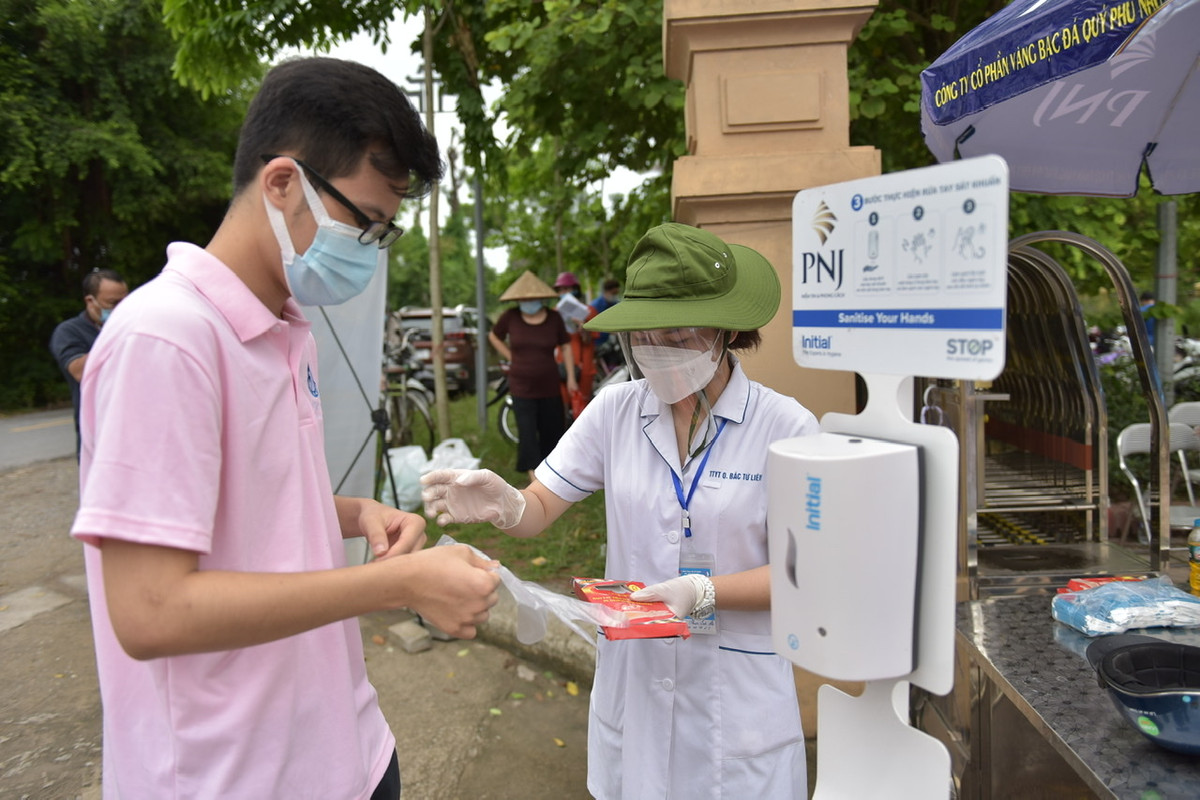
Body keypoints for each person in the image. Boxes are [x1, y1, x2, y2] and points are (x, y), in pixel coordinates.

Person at [69, 57, 500, 799]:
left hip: (345, 748)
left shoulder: (283, 325)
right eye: (365, 224)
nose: (368, 250)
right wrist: (392, 584)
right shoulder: (166, 340)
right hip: (232, 775)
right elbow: (150, 610)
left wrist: (356, 513)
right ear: (281, 183)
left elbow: (251, 503)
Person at [423, 223, 819, 798]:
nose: (657, 353)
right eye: (644, 337)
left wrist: (702, 593)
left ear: (727, 330)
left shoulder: (786, 428)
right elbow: (539, 506)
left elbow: (803, 575)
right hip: (634, 691)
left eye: (679, 338)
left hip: (737, 706)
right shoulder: (616, 410)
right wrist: (506, 505)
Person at [490, 270, 577, 482]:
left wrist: (572, 378)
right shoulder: (510, 317)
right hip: (521, 384)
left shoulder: (554, 318)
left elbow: (565, 347)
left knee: (552, 428)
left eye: (532, 298)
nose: (528, 302)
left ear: (541, 298)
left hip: (549, 383)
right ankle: (534, 476)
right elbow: (494, 336)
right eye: (524, 299)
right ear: (518, 299)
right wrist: (510, 355)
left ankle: (553, 470)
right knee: (527, 430)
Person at [48, 268, 128, 457]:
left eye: (125, 302)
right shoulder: (69, 331)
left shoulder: (134, 324)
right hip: (97, 432)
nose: (121, 309)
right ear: (90, 301)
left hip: (133, 426)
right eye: (113, 303)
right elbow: (78, 370)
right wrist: (117, 332)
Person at [554, 270, 597, 406]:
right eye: (560, 290)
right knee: (562, 403)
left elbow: (590, 340)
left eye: (566, 289)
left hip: (584, 365)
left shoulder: (589, 311)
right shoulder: (555, 312)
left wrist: (583, 328)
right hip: (562, 363)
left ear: (575, 289)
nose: (563, 293)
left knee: (582, 405)